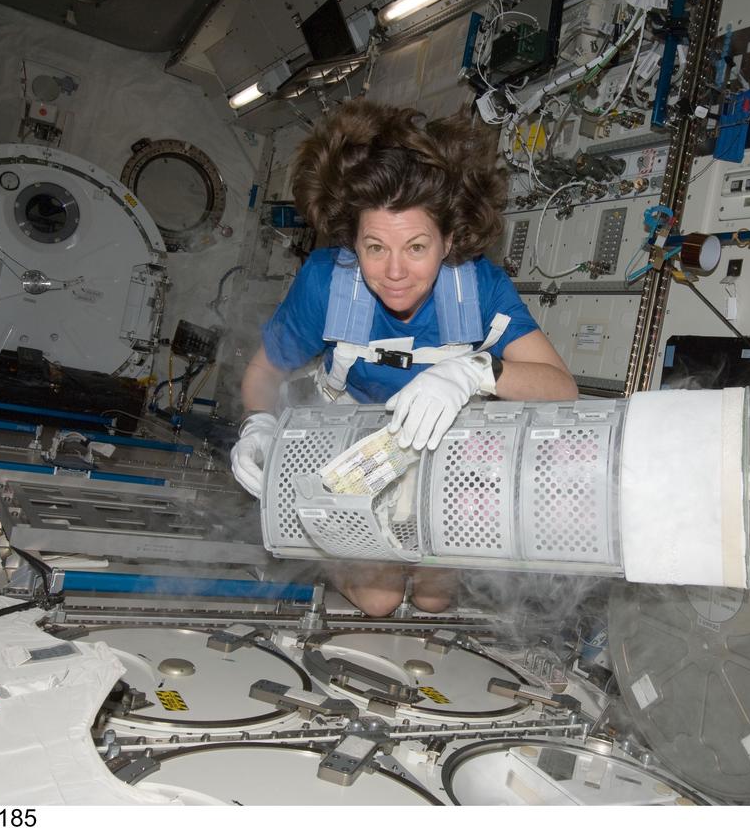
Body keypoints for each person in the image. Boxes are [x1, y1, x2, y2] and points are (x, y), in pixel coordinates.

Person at [231, 99, 578, 615]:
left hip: (442, 451)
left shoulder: (478, 288)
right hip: (350, 448)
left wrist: (477, 370)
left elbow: (561, 387)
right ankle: (339, 545)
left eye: (416, 247)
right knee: (380, 599)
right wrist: (259, 426)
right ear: (353, 242)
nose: (394, 271)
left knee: (435, 599)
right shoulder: (328, 284)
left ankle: (425, 565)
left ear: (449, 240)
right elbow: (264, 371)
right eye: (375, 248)